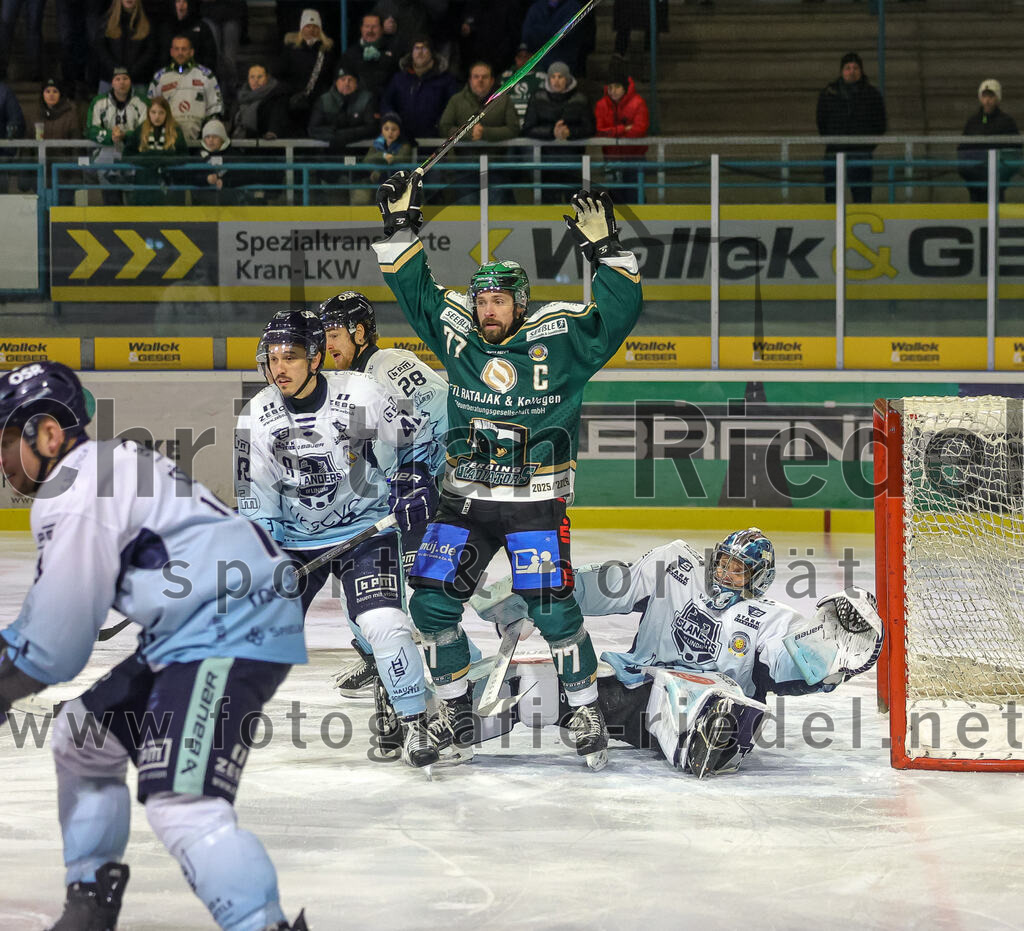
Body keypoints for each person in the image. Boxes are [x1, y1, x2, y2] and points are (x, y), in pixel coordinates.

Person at [0, 362, 309, 930]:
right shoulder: (103, 466)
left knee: (183, 803)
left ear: (47, 434)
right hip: (208, 621)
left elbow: (55, 645)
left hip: (227, 624)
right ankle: (90, 903)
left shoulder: (74, 488)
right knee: (83, 738)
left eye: (4, 438)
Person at [373, 174, 643, 768]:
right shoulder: (461, 335)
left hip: (533, 504)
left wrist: (605, 250)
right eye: (480, 300)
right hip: (464, 502)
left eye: (497, 301)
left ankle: (586, 706)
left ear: (520, 304)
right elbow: (417, 292)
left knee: (550, 607)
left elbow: (619, 314)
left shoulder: (561, 337)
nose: (485, 310)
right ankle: (457, 708)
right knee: (431, 604)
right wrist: (400, 227)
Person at [469, 529, 884, 777]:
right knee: (531, 683)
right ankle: (450, 720)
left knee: (715, 709)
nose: (724, 573)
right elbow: (605, 588)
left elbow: (792, 668)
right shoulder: (675, 570)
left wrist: (833, 650)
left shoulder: (772, 619)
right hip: (633, 692)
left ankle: (714, 736)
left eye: (737, 570)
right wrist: (541, 597)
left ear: (758, 578)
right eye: (722, 563)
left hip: (694, 707)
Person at [234, 310, 444, 770]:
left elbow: (410, 435)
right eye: (272, 358)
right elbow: (256, 499)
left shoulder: (360, 393)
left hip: (363, 531)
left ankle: (412, 718)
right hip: (294, 539)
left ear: (314, 358)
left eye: (290, 356)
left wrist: (413, 477)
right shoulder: (258, 416)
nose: (279, 368)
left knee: (384, 622)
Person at [316, 291, 451, 697]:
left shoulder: (389, 363)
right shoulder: (347, 383)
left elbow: (441, 408)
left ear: (359, 333)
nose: (328, 345)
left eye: (334, 334)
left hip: (430, 492)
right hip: (392, 497)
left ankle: (455, 672)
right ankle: (380, 660)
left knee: (427, 588)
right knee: (358, 573)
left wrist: (423, 472)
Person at [438, 60, 521, 204]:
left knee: (497, 206)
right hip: (464, 167)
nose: (480, 80)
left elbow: (514, 129)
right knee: (467, 208)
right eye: (476, 77)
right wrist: (469, 133)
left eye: (484, 77)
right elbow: (444, 127)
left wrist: (485, 133)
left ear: (492, 80)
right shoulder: (456, 100)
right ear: (470, 80)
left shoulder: (504, 100)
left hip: (496, 167)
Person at [816, 51, 887, 204]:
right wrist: (832, 142)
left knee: (862, 198)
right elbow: (821, 122)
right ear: (842, 71)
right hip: (834, 153)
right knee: (831, 199)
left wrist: (866, 146)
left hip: (861, 154)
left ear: (861, 71)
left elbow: (880, 124)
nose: (852, 71)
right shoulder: (828, 93)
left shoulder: (872, 95)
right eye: (848, 68)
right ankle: (831, 227)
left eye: (855, 68)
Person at [522, 60, 594, 203]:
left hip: (573, 161)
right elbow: (528, 128)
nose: (556, 81)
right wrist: (551, 132)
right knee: (549, 204)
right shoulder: (537, 98)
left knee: (575, 206)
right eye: (553, 77)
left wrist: (570, 132)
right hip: (546, 162)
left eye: (560, 77)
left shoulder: (581, 99)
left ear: (567, 79)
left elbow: (590, 128)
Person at [379, 34, 458, 144]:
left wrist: (439, 124)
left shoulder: (446, 80)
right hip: (403, 141)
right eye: (416, 48)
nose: (420, 52)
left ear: (432, 53)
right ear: (411, 52)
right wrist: (392, 120)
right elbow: (386, 102)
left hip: (436, 141)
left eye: (424, 48)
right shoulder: (399, 78)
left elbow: (452, 107)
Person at [148, 32, 223, 144]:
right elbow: (151, 108)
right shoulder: (160, 77)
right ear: (171, 52)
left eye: (184, 49)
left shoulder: (206, 75)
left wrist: (207, 134)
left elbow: (215, 109)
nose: (180, 53)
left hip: (200, 141)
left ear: (191, 52)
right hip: (168, 140)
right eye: (177, 49)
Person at [957, 79, 1022, 203]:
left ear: (997, 98)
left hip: (997, 178)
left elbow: (1015, 151)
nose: (987, 101)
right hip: (975, 180)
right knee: (976, 211)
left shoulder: (1007, 122)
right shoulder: (972, 122)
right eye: (984, 96)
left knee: (995, 208)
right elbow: (963, 149)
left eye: (991, 96)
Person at [593, 60, 649, 201]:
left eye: (617, 87)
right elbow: (599, 131)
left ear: (624, 87)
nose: (613, 91)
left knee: (634, 197)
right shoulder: (601, 105)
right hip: (611, 160)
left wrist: (612, 132)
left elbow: (639, 130)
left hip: (635, 160)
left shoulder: (638, 103)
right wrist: (622, 129)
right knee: (615, 199)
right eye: (610, 87)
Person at [278, 8, 337, 136]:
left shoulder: (326, 51)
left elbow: (331, 75)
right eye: (308, 26)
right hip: (293, 97)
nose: (311, 29)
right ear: (302, 28)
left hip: (318, 97)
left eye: (315, 26)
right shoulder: (290, 49)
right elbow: (280, 73)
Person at [122, 95, 189, 204]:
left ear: (167, 113)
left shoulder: (176, 130)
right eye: (153, 112)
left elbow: (184, 157)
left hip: (170, 186)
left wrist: (162, 158)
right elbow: (127, 155)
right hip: (145, 185)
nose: (157, 117)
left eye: (161, 112)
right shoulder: (141, 129)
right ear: (148, 113)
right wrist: (148, 158)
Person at [308, 65, 376, 152]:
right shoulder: (324, 100)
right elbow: (313, 129)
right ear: (336, 82)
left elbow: (371, 127)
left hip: (360, 152)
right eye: (342, 79)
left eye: (350, 80)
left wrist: (346, 134)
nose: (346, 83)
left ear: (357, 83)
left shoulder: (366, 98)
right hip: (331, 152)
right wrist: (335, 134)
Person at [350, 110, 411, 206]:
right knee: (361, 197)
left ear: (399, 131)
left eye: (393, 129)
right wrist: (383, 156)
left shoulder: (405, 146)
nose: (390, 132)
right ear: (382, 130)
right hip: (376, 182)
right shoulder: (376, 145)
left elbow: (402, 159)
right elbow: (366, 161)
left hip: (398, 184)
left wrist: (388, 162)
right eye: (386, 129)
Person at [336, 11, 397, 103]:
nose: (370, 30)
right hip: (359, 108)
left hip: (386, 106)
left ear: (381, 29)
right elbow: (341, 84)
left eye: (374, 27)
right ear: (361, 29)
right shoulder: (350, 54)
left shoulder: (393, 51)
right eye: (367, 26)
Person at [94, 0, 157, 87]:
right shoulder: (106, 21)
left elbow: (150, 51)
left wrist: (132, 72)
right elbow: (101, 49)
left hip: (138, 80)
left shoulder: (147, 23)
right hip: (109, 79)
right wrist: (116, 70)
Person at [86, 66, 149, 146]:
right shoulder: (98, 102)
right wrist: (110, 136)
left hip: (134, 151)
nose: (122, 82)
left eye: (125, 78)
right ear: (112, 83)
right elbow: (91, 130)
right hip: (105, 150)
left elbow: (146, 130)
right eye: (118, 79)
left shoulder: (143, 103)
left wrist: (125, 136)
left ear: (130, 82)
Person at [230, 62, 291, 140]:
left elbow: (277, 117)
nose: (255, 80)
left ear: (267, 78)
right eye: (252, 77)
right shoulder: (241, 95)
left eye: (260, 77)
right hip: (239, 142)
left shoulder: (278, 94)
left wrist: (272, 132)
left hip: (266, 145)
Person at [520, 0, 583, 74]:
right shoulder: (537, 7)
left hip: (562, 62)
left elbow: (563, 34)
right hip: (536, 62)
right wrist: (551, 31)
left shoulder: (573, 7)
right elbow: (527, 34)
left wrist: (538, 31)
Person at [157, 0, 217, 73]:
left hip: (197, 76)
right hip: (171, 76)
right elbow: (163, 57)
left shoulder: (202, 27)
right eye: (178, 2)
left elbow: (210, 56)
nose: (181, 5)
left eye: (184, 2)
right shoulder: (166, 28)